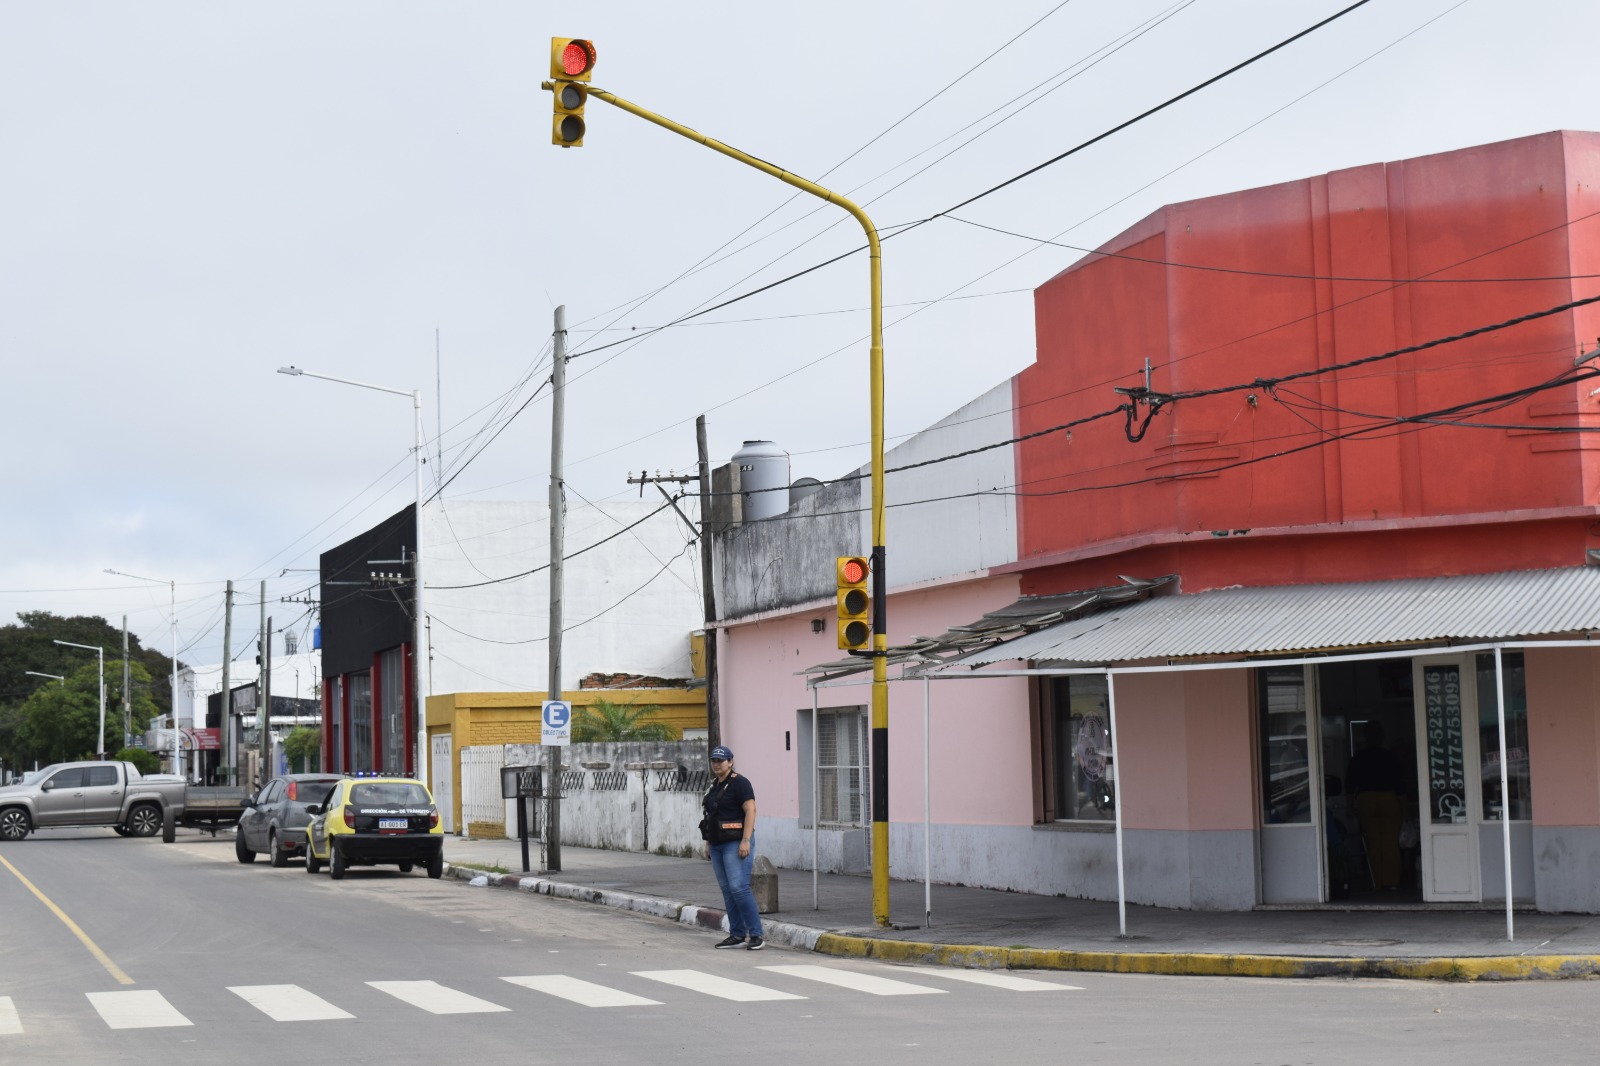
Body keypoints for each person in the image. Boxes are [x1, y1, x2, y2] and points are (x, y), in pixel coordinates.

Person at [702, 745, 763, 950]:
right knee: (728, 890)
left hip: (736, 843)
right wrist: (709, 843)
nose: (717, 764)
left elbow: (751, 810)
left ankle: (756, 935)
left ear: (731, 762)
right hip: (718, 844)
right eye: (714, 761)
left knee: (739, 888)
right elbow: (711, 816)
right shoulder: (715, 786)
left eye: (721, 760)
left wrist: (746, 840)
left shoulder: (740, 783)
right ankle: (736, 934)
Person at [1346, 721, 1407, 890]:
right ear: (1382, 736)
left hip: (1366, 800)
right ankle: (1392, 881)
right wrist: (1405, 809)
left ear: (1366, 737)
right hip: (1389, 799)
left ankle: (1376, 882)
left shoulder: (1358, 757)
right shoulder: (1390, 756)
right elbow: (1399, 785)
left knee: (1373, 842)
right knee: (1390, 843)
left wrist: (1350, 805)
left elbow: (1350, 784)